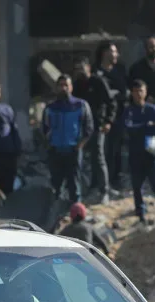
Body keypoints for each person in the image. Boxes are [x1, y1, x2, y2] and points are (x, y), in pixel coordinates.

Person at [43, 74, 93, 205]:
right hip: (56, 151)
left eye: (66, 85)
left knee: (74, 185)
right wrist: (50, 144)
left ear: (71, 87)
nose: (63, 88)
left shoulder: (80, 105)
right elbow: (44, 128)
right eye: (61, 85)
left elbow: (89, 128)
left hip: (73, 150)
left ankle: (75, 214)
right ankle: (55, 215)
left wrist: (79, 145)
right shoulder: (50, 108)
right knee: (56, 185)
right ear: (56, 87)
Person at [122, 79, 155, 223]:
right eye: (135, 91)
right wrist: (145, 127)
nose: (138, 94)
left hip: (152, 155)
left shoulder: (152, 109)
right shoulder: (128, 111)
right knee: (136, 186)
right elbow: (126, 128)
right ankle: (140, 214)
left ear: (145, 92)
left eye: (141, 91)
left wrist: (141, 128)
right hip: (135, 154)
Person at [73, 56, 115, 201]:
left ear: (88, 68)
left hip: (98, 125)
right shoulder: (77, 85)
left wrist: (109, 121)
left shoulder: (98, 82)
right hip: (82, 127)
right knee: (86, 158)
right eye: (78, 69)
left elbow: (111, 102)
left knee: (98, 157)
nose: (80, 72)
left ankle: (104, 190)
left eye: (82, 68)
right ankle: (92, 186)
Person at [94, 42, 130, 193]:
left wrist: (114, 93)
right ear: (104, 53)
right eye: (112, 52)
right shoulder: (97, 71)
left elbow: (125, 92)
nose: (115, 55)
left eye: (116, 52)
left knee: (115, 149)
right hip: (101, 117)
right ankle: (100, 183)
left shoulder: (120, 70)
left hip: (119, 115)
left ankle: (115, 180)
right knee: (100, 151)